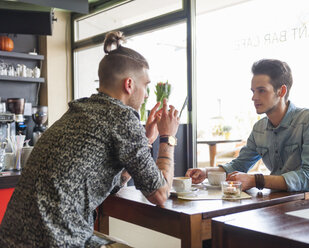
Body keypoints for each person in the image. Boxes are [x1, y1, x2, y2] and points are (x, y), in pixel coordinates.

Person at [0, 31, 180, 248]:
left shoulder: (80, 110)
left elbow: (110, 185)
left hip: (12, 238)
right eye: (146, 85)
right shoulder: (121, 116)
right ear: (129, 84)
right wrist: (167, 138)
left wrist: (146, 141)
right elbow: (160, 194)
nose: (147, 94)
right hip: (56, 241)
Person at [187, 59, 309, 197]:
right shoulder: (259, 128)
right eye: (253, 91)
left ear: (281, 91)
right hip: (280, 203)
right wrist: (206, 172)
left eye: (261, 90)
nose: (254, 97)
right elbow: (239, 164)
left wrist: (256, 180)